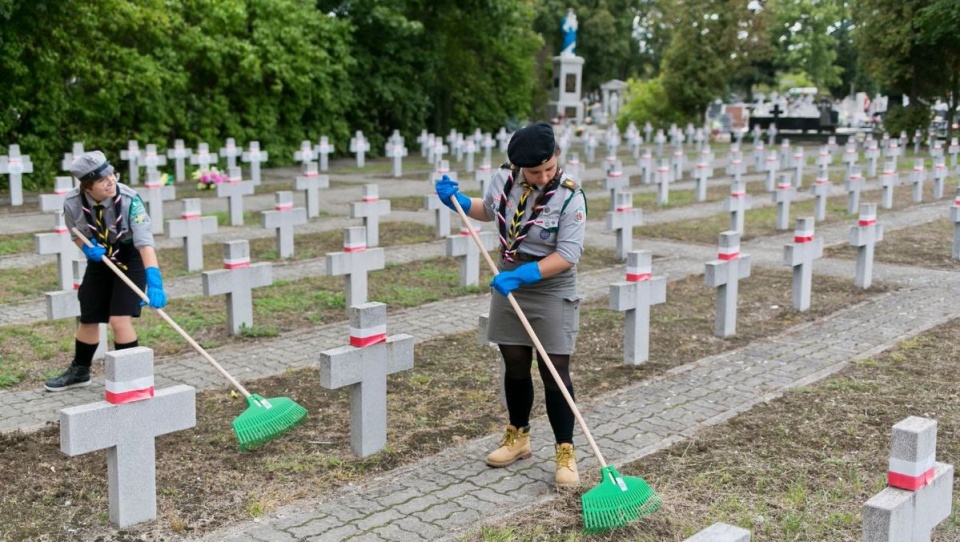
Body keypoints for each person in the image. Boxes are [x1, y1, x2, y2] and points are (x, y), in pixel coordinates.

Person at [435, 122, 587, 487]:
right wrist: (456, 200)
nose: (544, 176)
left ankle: (565, 451)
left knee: (555, 371)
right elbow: (489, 211)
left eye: (550, 167)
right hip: (509, 278)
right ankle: (518, 436)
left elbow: (568, 254)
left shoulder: (570, 196)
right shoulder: (503, 180)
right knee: (515, 363)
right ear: (518, 167)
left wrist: (522, 276)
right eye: (536, 172)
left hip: (549, 286)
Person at [44, 151, 167, 391]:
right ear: (87, 187)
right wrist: (88, 249)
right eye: (102, 180)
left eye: (111, 174)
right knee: (89, 315)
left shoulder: (131, 200)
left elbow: (144, 242)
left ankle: (133, 379)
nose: (111, 182)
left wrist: (154, 279)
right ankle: (80, 372)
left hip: (130, 256)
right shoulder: (72, 203)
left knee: (119, 319)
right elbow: (77, 235)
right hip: (100, 258)